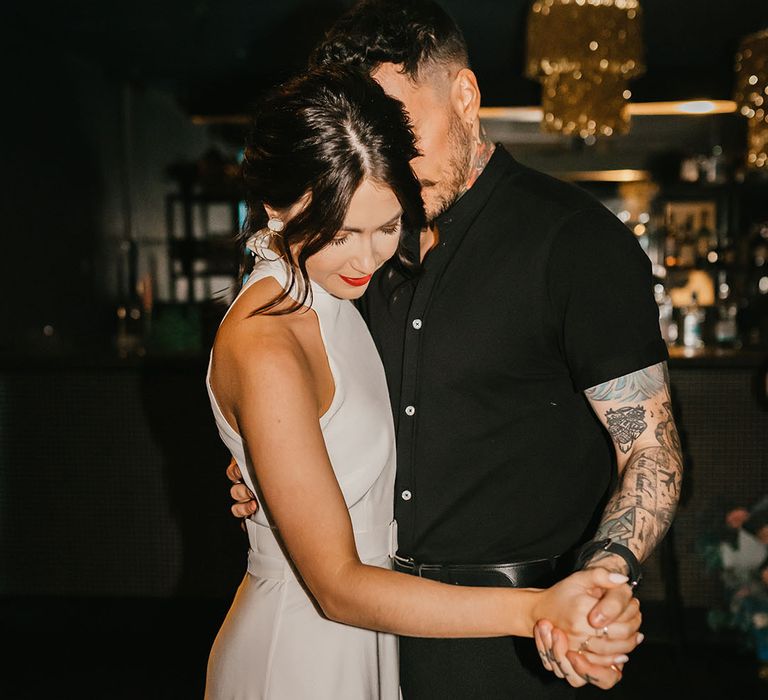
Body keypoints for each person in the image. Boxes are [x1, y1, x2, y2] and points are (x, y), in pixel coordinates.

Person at [226, 1, 684, 697]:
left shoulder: (576, 244)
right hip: (363, 635)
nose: (389, 163)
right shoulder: (352, 250)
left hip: (520, 648)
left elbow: (651, 448)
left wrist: (603, 574)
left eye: (399, 128)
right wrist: (272, 468)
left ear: (465, 98)